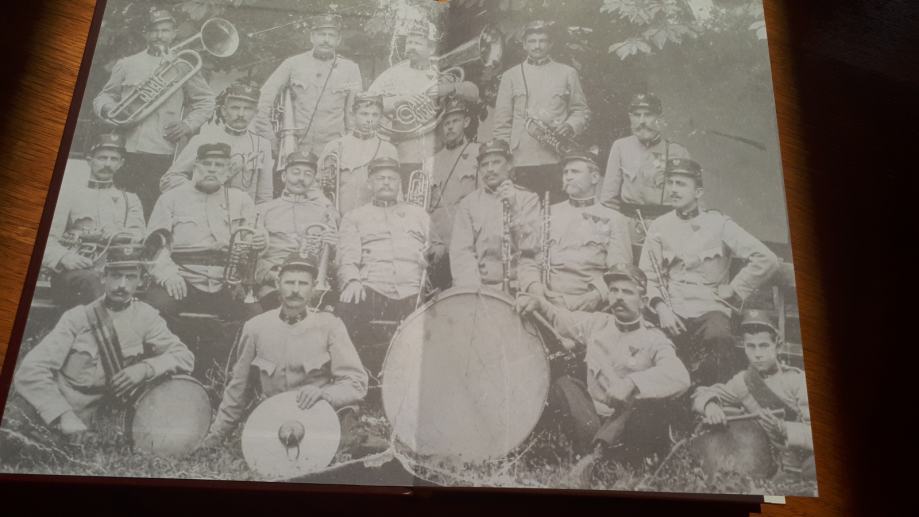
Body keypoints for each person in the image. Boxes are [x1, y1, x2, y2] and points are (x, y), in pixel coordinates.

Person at [2, 238, 193, 453]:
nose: (122, 285)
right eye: (116, 275)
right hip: (59, 409)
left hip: (101, 417)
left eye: (130, 276)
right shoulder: (77, 318)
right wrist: (63, 415)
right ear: (103, 277)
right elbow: (30, 371)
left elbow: (184, 357)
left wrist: (145, 368)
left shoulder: (146, 317)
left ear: (141, 281)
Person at [516, 263, 690, 485]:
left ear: (643, 301)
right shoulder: (597, 324)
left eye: (627, 292)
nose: (619, 297)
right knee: (564, 385)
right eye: (614, 291)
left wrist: (632, 382)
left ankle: (598, 457)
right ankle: (599, 456)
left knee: (644, 404)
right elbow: (560, 318)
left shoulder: (654, 338)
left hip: (627, 425)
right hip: (592, 420)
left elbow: (680, 375)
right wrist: (539, 303)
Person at [205, 251, 367, 447]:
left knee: (347, 445)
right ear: (277, 284)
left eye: (303, 283)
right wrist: (215, 437)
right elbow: (237, 389)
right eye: (289, 282)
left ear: (314, 287)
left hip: (318, 417)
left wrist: (325, 394)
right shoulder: (256, 328)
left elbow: (355, 383)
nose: (295, 290)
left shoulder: (330, 326)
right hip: (275, 421)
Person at [639, 158, 779, 386]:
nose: (673, 189)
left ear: (698, 192)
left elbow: (767, 259)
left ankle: (714, 398)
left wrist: (734, 289)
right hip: (671, 307)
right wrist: (661, 308)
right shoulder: (659, 226)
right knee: (647, 341)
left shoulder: (719, 224)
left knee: (719, 338)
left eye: (681, 184)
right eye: (670, 183)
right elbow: (647, 275)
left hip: (710, 308)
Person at [144, 143, 265, 363]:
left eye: (219, 165)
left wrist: (260, 240)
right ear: (195, 167)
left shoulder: (241, 199)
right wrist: (168, 276)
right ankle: (165, 364)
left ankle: (229, 368)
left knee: (256, 315)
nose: (212, 169)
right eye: (207, 164)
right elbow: (154, 246)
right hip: (184, 277)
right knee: (155, 307)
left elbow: (253, 235)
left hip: (226, 281)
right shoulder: (171, 199)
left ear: (228, 171)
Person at [93, 8, 215, 218]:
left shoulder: (184, 66)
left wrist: (187, 125)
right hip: (126, 146)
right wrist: (108, 108)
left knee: (152, 206)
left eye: (165, 30)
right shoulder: (127, 64)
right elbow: (104, 96)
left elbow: (206, 100)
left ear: (174, 33)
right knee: (118, 204)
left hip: (162, 148)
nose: (159, 36)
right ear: (146, 34)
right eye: (154, 31)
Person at [336, 157, 437, 370]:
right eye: (380, 178)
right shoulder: (354, 217)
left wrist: (432, 253)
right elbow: (347, 257)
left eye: (392, 179)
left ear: (399, 183)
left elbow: (438, 247)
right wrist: (352, 281)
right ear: (369, 184)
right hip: (373, 288)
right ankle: (359, 374)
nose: (386, 183)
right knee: (345, 309)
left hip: (413, 289)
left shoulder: (418, 214)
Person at [693, 309, 814, 480]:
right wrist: (710, 406)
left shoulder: (798, 381)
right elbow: (702, 393)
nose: (757, 354)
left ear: (777, 346)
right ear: (744, 347)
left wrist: (784, 428)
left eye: (764, 345)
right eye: (751, 346)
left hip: (804, 458)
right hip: (772, 462)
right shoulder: (743, 381)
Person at [518, 148, 632, 312]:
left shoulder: (614, 219)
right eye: (566, 172)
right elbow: (527, 258)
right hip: (542, 301)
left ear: (594, 178)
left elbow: (619, 272)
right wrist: (534, 287)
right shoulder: (548, 213)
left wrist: (594, 297)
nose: (568, 177)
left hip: (586, 307)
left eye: (575, 172)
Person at [43, 133, 145, 308]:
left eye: (114, 159)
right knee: (92, 281)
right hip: (74, 273)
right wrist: (64, 257)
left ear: (121, 163)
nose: (107, 164)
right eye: (102, 158)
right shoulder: (68, 195)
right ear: (89, 160)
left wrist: (121, 236)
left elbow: (139, 237)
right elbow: (46, 238)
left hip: (114, 271)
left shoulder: (129, 200)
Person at [493, 20, 590, 203]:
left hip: (556, 158)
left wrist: (570, 125)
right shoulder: (510, 76)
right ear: (524, 44)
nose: (537, 46)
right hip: (521, 159)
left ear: (550, 43)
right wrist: (505, 161)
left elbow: (581, 111)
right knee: (522, 210)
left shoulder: (567, 73)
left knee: (556, 210)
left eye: (542, 41)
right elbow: (502, 123)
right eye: (532, 41)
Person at [368, 19, 479, 176]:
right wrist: (400, 100)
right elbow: (370, 103)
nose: (411, 47)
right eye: (409, 42)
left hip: (440, 150)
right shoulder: (392, 74)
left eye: (417, 43)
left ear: (431, 48)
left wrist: (449, 88)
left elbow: (474, 93)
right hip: (406, 151)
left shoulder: (441, 71)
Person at [253, 14, 362, 157]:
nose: (326, 40)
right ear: (312, 37)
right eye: (321, 34)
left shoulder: (351, 69)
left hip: (334, 150)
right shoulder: (292, 64)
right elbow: (263, 100)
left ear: (338, 40)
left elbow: (354, 114)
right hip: (295, 149)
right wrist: (269, 138)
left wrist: (351, 146)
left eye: (331, 35)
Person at [161, 81, 275, 204]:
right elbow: (168, 180)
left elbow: (264, 197)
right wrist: (201, 187)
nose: (241, 114)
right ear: (224, 110)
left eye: (247, 109)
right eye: (235, 108)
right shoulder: (203, 139)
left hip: (242, 213)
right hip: (205, 210)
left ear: (255, 113)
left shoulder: (262, 145)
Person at [599, 93, 691, 243]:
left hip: (666, 228)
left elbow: (688, 200)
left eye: (648, 115)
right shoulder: (620, 147)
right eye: (637, 115)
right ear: (630, 118)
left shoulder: (678, 151)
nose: (642, 121)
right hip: (629, 228)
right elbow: (608, 199)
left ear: (660, 119)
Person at [450, 139, 539, 291]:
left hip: (519, 287)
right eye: (484, 165)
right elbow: (461, 253)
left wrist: (514, 207)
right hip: (480, 288)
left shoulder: (528, 199)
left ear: (509, 165)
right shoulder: (468, 204)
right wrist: (474, 291)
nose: (490, 169)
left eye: (496, 162)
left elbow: (532, 247)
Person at [256, 151, 339, 310]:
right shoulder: (264, 211)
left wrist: (334, 247)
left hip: (313, 283)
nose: (301, 178)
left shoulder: (324, 212)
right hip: (274, 283)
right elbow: (254, 258)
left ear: (313, 180)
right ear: (284, 176)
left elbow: (334, 260)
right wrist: (272, 275)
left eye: (308, 174)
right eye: (295, 173)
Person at [316, 93, 398, 216]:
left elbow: (397, 191)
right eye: (364, 114)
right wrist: (328, 208)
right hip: (340, 217)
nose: (369, 119)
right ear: (353, 115)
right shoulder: (336, 146)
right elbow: (317, 185)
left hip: (375, 218)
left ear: (381, 117)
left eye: (375, 115)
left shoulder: (388, 149)